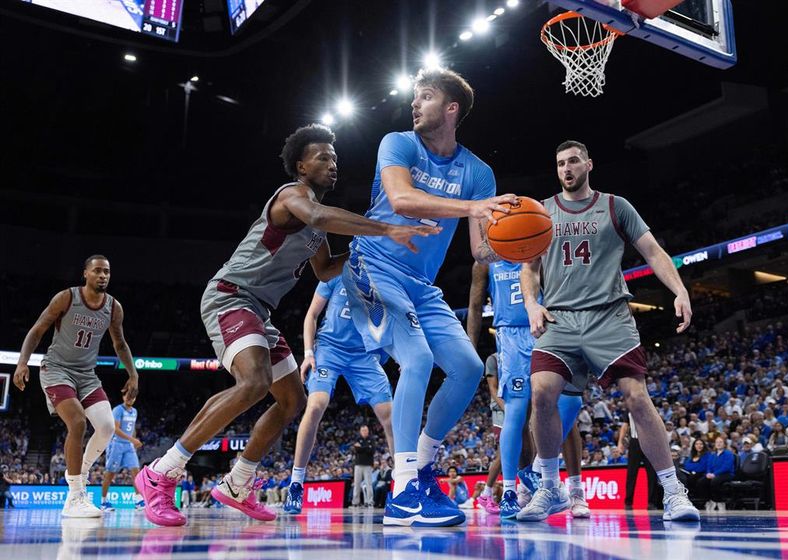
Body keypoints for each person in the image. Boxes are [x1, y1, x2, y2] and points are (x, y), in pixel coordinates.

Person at [135, 124, 437, 527]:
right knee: (254, 382)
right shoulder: (292, 196)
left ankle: (238, 482)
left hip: (259, 312)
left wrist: (367, 247)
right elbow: (318, 213)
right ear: (301, 165)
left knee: (293, 399)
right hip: (231, 296)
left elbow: (327, 269)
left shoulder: (316, 228)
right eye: (323, 158)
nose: (333, 165)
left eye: (335, 159)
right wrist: (385, 227)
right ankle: (161, 473)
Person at [341, 68, 516, 527]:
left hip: (420, 285)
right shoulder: (397, 143)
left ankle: (421, 464)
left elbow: (480, 250)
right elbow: (400, 200)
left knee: (469, 368)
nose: (414, 104)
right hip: (370, 267)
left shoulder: (478, 173)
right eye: (415, 97)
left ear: (451, 108)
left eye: (425, 97)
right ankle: (401, 492)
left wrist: (524, 241)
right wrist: (471, 207)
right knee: (416, 359)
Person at [519, 140, 699, 522]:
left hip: (609, 316)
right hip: (561, 319)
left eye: (572, 161)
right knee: (541, 392)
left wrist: (679, 290)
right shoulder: (542, 211)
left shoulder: (617, 206)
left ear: (589, 163)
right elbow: (529, 267)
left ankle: (673, 491)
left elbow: (653, 252)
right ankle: (551, 487)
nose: (565, 169)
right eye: (559, 164)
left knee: (635, 397)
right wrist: (532, 304)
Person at [13, 255, 139, 518]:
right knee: (78, 422)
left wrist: (133, 374)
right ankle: (75, 495)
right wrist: (23, 363)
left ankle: (80, 472)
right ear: (85, 274)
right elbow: (37, 330)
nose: (103, 275)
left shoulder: (114, 308)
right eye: (97, 271)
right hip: (56, 370)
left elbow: (120, 344)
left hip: (86, 374)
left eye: (107, 271)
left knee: (105, 428)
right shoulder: (67, 298)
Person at [468, 260, 590, 520]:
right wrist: (469, 348)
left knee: (568, 404)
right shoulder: (487, 260)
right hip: (511, 336)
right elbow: (475, 306)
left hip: (545, 327)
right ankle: (515, 491)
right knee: (518, 412)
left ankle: (569, 487)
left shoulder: (541, 252)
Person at [283, 276, 394, 514]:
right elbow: (311, 315)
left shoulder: (384, 277)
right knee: (315, 406)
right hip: (329, 348)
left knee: (390, 414)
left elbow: (390, 322)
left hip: (363, 354)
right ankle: (296, 483)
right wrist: (309, 352)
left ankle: (403, 486)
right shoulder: (336, 273)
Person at [101, 392, 143, 511]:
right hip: (116, 445)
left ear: (134, 398)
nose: (130, 398)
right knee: (110, 474)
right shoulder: (118, 410)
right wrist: (132, 440)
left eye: (132, 397)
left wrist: (132, 441)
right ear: (123, 396)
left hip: (128, 446)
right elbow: (116, 429)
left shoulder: (134, 411)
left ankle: (138, 500)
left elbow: (132, 428)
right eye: (128, 396)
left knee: (136, 471)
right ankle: (103, 502)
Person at [472, 353, 503, 514]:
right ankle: (487, 493)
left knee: (523, 449)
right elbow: (493, 389)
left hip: (518, 406)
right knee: (504, 451)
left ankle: (523, 492)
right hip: (501, 410)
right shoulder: (492, 359)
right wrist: (508, 409)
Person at [618, 412, 662, 510]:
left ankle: (652, 503)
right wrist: (620, 443)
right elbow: (625, 426)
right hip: (635, 441)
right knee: (631, 473)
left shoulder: (650, 407)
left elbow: (657, 424)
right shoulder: (629, 409)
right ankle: (628, 502)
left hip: (650, 441)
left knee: (651, 473)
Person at [697, 436, 735, 512]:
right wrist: (708, 473)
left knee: (715, 481)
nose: (718, 444)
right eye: (717, 442)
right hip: (713, 474)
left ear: (724, 444)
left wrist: (714, 474)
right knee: (701, 482)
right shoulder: (712, 455)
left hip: (726, 474)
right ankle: (708, 500)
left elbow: (726, 467)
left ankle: (719, 502)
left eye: (720, 442)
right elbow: (709, 466)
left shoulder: (729, 454)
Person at [351, 425, 376, 508]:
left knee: (369, 484)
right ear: (360, 431)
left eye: (366, 430)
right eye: (363, 430)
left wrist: (361, 448)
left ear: (368, 431)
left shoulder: (371, 439)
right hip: (358, 464)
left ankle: (370, 501)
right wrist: (366, 448)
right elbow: (356, 450)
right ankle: (355, 502)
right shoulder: (357, 439)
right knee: (357, 484)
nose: (364, 432)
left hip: (368, 465)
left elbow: (372, 451)